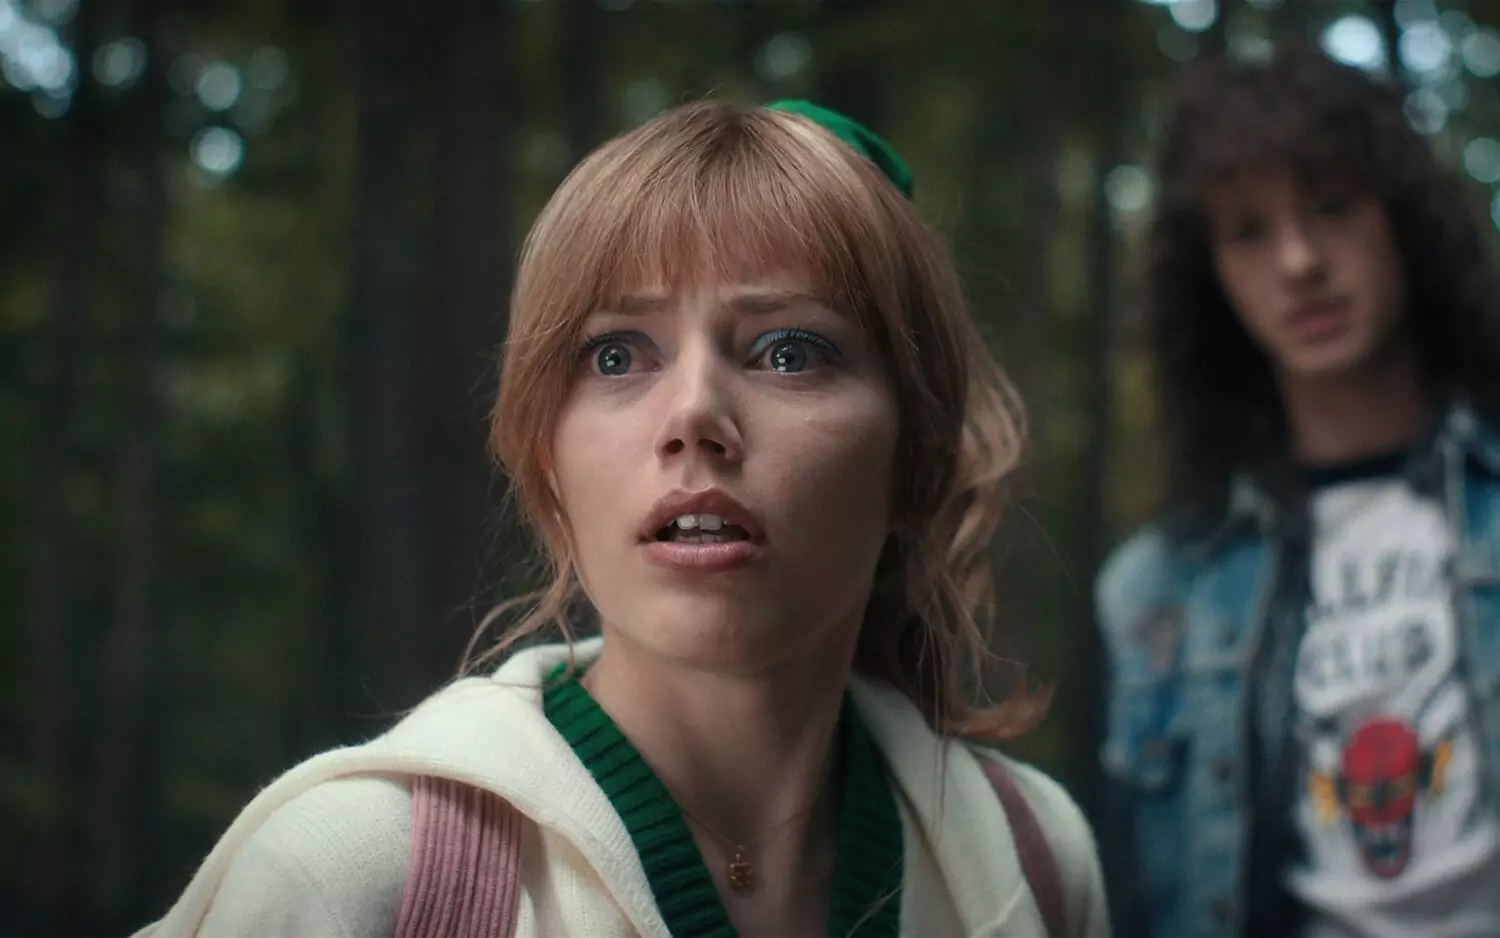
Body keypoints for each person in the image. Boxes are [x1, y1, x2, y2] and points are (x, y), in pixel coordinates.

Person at [135, 99, 1108, 937]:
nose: (693, 415)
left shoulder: (1036, 860)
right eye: (616, 355)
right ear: (546, 460)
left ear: (914, 457)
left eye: (788, 351)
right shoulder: (354, 872)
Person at [1096, 42, 1500, 938]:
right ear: (1210, 276)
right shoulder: (1159, 589)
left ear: (1403, 222)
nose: (1299, 261)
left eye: (1332, 206)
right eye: (1248, 232)